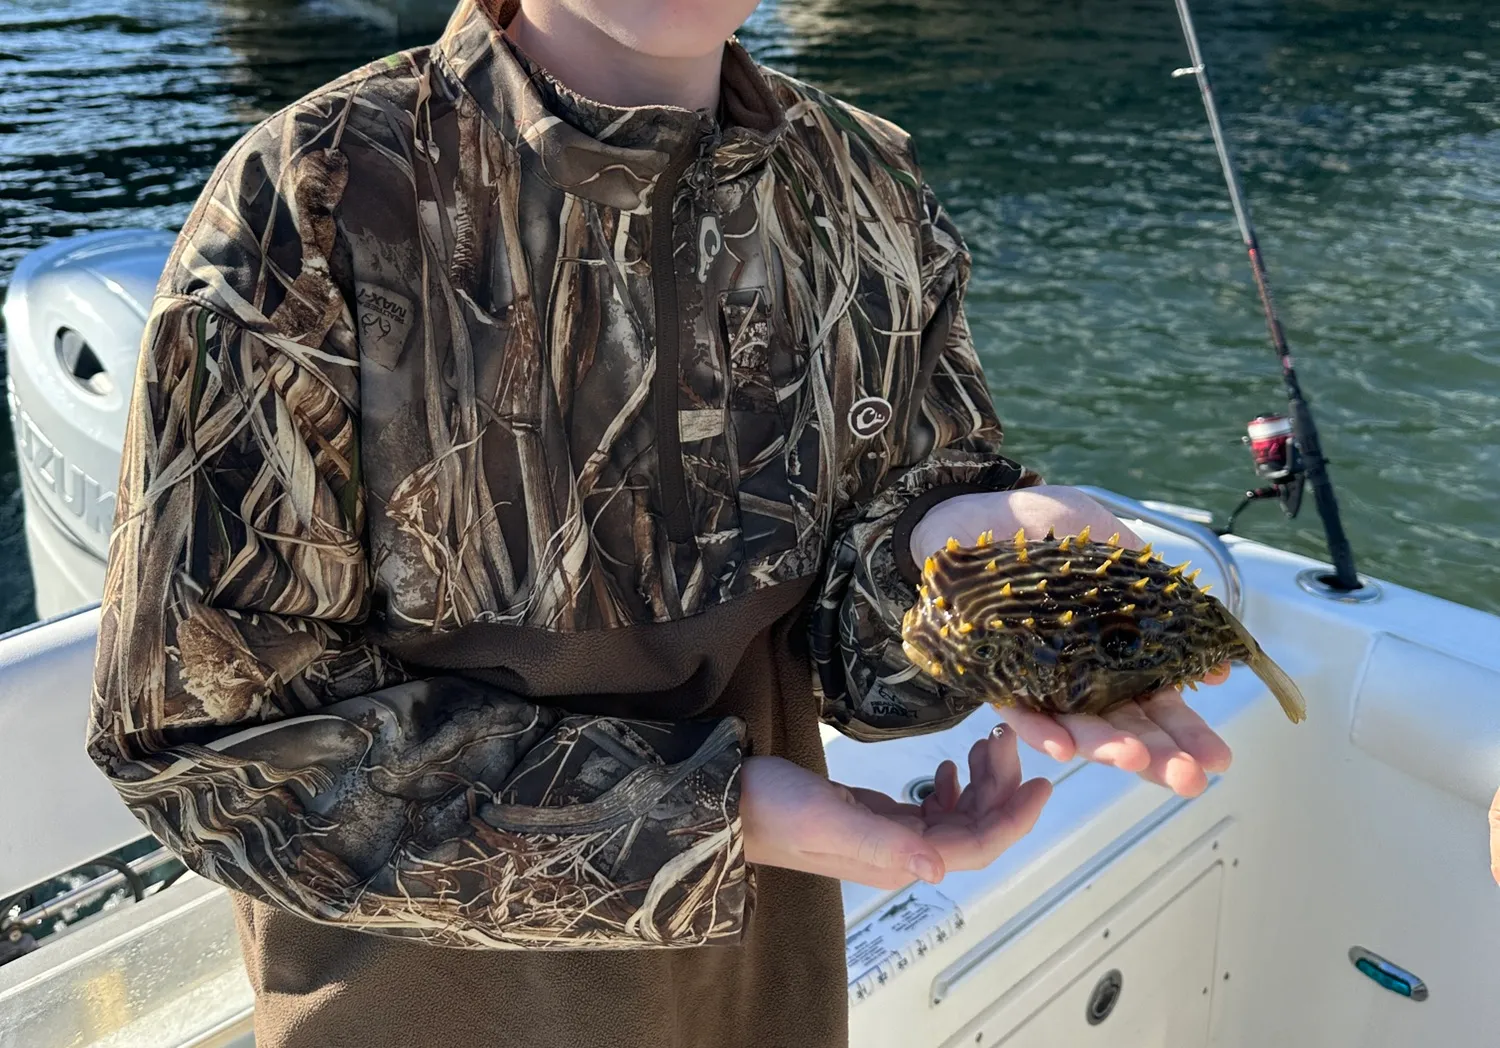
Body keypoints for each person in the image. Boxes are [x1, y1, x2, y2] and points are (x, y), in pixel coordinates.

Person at [85, 1, 1233, 1045]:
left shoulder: (866, 187)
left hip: (769, 1007)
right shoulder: (311, 201)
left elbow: (859, 657)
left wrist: (960, 561)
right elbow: (209, 743)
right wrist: (716, 812)